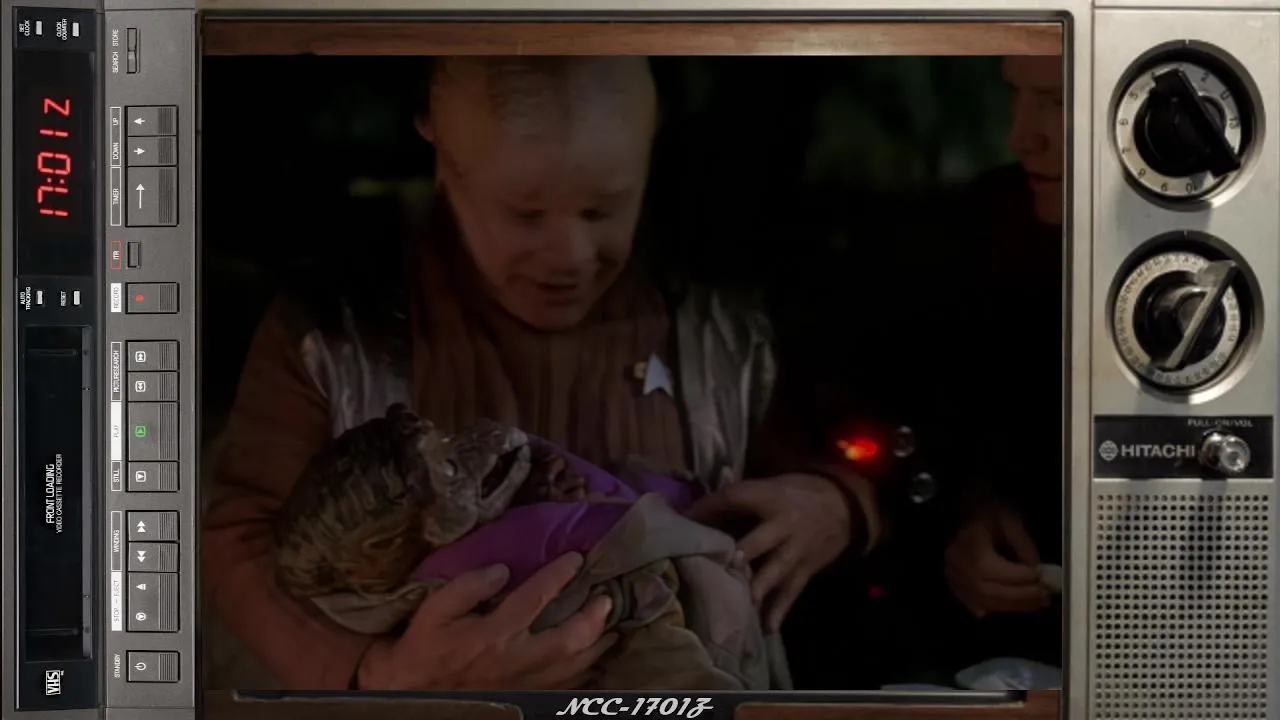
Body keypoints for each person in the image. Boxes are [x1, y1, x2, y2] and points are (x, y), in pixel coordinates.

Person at [201, 56, 880, 691]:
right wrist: (379, 674)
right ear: (439, 147)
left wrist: (837, 504)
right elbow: (242, 536)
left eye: (603, 209)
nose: (570, 255)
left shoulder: (725, 332)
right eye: (525, 214)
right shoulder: (336, 335)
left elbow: (863, 458)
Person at [938, 53, 1065, 669]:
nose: (1022, 136)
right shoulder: (991, 231)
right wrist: (967, 525)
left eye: (1059, 102)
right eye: (1016, 94)